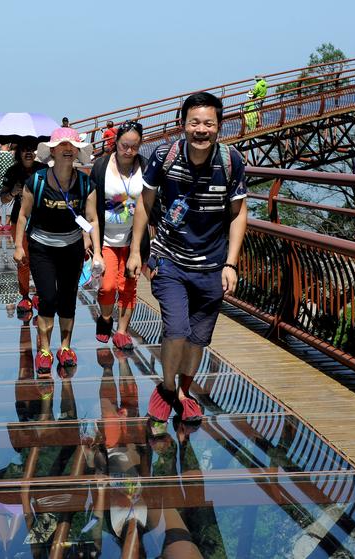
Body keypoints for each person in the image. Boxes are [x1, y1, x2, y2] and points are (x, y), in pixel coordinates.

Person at [126, 92, 248, 428]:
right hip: (170, 260)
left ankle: (184, 392)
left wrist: (231, 263)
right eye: (194, 122)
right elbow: (144, 203)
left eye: (209, 123)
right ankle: (167, 390)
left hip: (212, 265)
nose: (201, 129)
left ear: (219, 127)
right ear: (183, 124)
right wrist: (137, 251)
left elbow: (238, 214)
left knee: (198, 339)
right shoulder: (165, 155)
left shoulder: (231, 161)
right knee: (176, 329)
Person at [14, 127, 102, 375]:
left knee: (67, 299)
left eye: (71, 146)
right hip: (42, 247)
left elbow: (92, 218)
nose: (67, 150)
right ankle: (44, 350)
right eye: (61, 146)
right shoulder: (38, 181)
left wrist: (97, 252)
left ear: (77, 151)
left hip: (71, 248)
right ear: (52, 150)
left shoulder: (86, 184)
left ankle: (65, 347)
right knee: (48, 299)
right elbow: (23, 215)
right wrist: (18, 245)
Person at [90, 121, 147, 350]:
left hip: (133, 239)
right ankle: (105, 319)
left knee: (128, 286)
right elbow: (91, 204)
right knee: (107, 286)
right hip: (105, 238)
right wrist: (88, 237)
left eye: (134, 146)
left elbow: (152, 202)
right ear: (116, 143)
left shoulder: (145, 167)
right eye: (124, 145)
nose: (129, 151)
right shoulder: (101, 165)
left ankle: (122, 332)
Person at [0, 139, 47, 316]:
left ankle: (41, 295)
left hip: (42, 221)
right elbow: (3, 197)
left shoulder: (43, 169)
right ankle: (25, 296)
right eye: (25, 150)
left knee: (41, 260)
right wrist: (13, 192)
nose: (28, 153)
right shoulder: (13, 171)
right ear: (19, 152)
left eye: (32, 150)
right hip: (18, 220)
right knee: (23, 259)